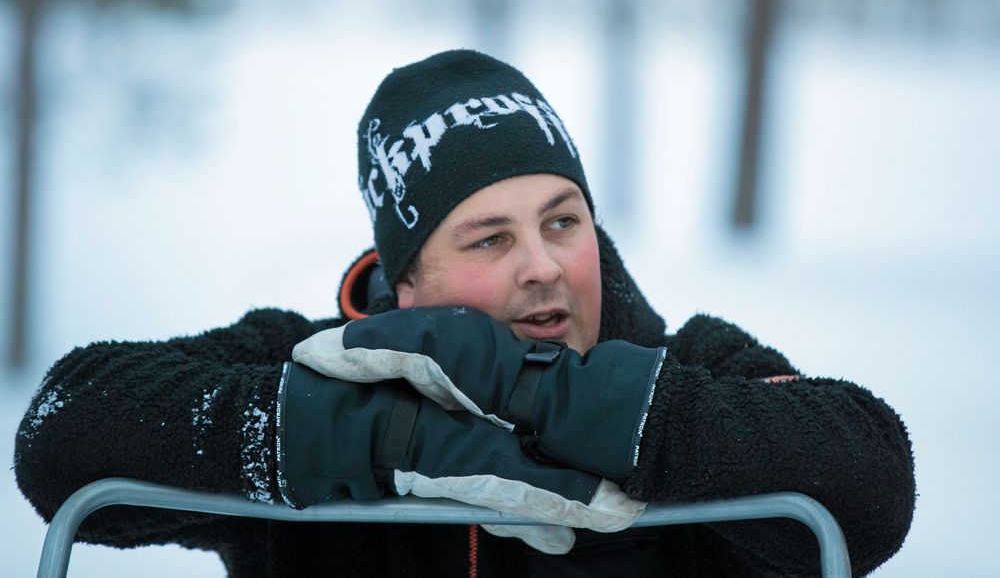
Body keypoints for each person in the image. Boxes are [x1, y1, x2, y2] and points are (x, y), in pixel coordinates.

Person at [14, 50, 915, 576]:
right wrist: (371, 435)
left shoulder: (697, 368)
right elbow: (63, 428)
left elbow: (871, 475)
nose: (542, 266)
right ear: (405, 285)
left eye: (564, 221)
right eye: (488, 239)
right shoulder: (307, 362)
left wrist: (557, 399)